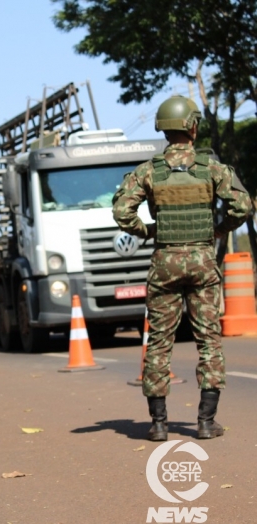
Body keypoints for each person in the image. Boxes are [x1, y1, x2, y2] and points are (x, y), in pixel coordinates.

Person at [112, 95, 251, 442]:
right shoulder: (210, 168)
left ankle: (159, 424)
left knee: (159, 341)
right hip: (202, 261)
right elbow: (243, 206)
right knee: (209, 340)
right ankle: (205, 422)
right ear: (191, 126)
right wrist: (220, 230)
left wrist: (147, 231)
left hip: (165, 263)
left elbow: (120, 212)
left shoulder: (150, 170)